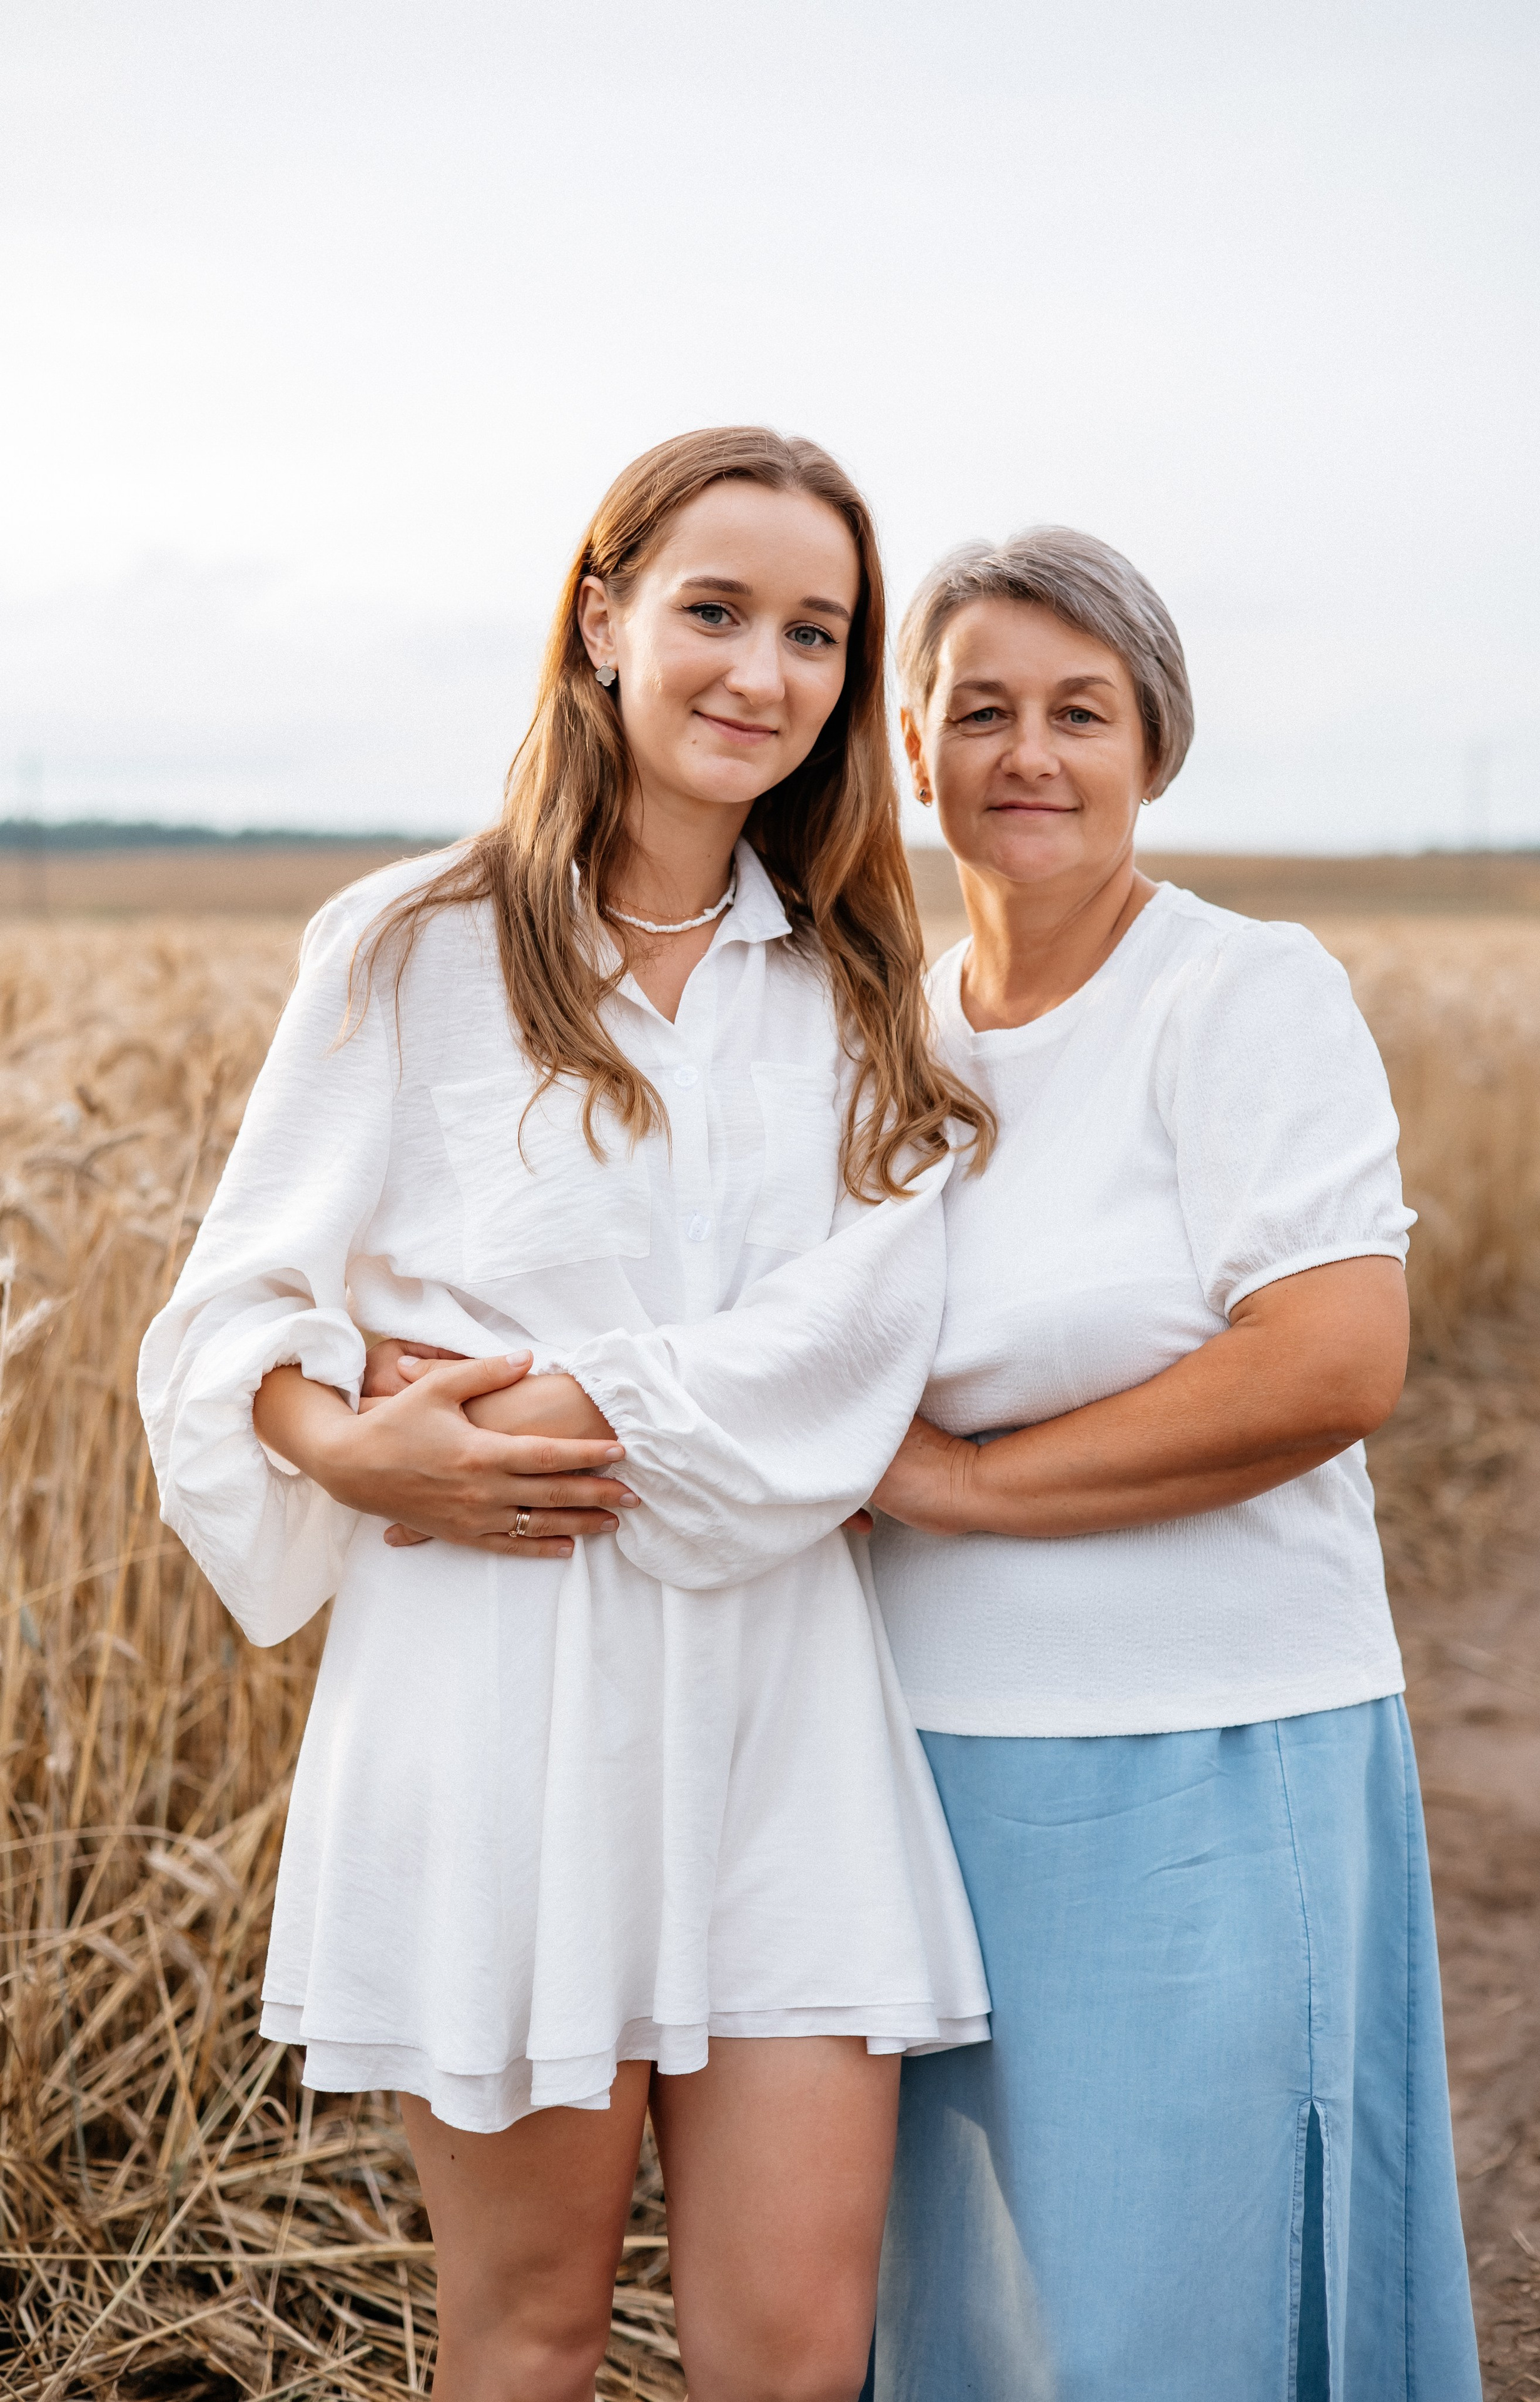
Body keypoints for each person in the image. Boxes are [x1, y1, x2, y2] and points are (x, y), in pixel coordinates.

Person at [138, 426, 993, 2402]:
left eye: (816, 634)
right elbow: (230, 1310)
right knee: (521, 2335)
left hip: (785, 1710)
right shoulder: (413, 947)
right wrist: (346, 1440)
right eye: (712, 611)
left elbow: (851, 1357)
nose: (760, 673)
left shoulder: (865, 995)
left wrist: (538, 1393)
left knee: (792, 2351)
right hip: (502, 1692)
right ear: (600, 620)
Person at [860, 529, 1481, 2401]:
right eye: (982, 711)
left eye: (1082, 712)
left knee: (1186, 2316)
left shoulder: (1241, 991)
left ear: (1156, 749)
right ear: (911, 752)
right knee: (972, 2310)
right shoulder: (883, 1024)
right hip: (917, 1763)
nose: (1029, 755)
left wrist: (960, 1487)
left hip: (1211, 1746)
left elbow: (1330, 1359)